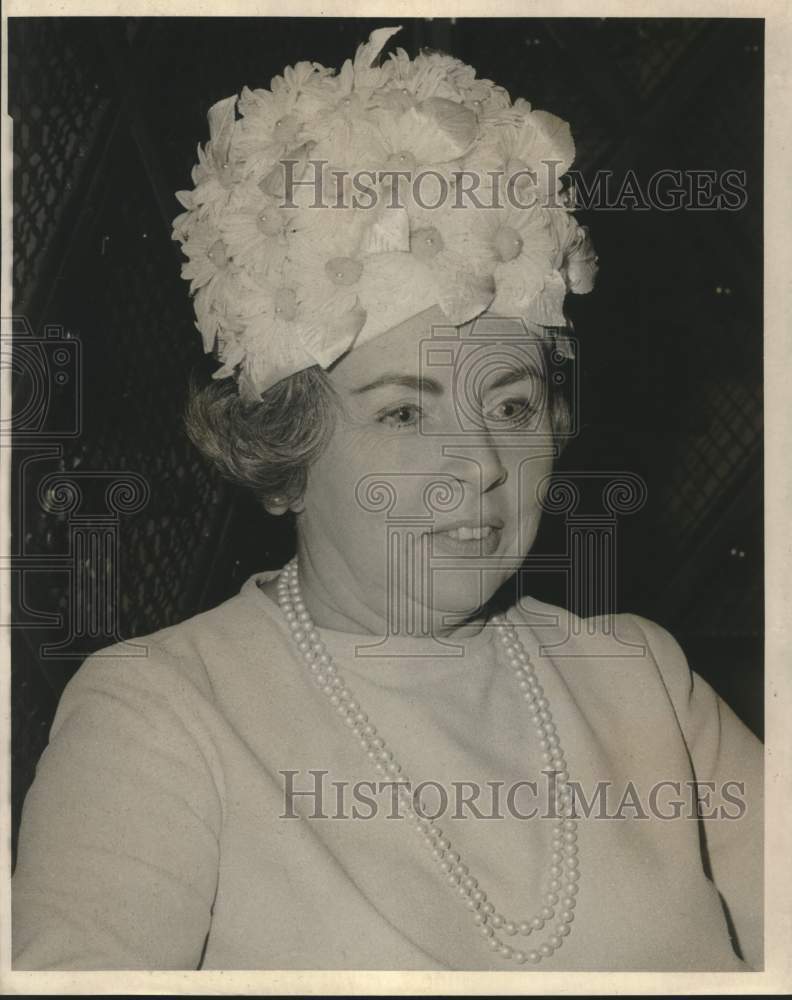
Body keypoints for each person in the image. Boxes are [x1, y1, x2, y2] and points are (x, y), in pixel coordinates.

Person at [11, 25, 762, 972]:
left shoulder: (641, 680)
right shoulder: (162, 718)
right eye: (406, 414)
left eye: (513, 402)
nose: (479, 462)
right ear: (285, 447)